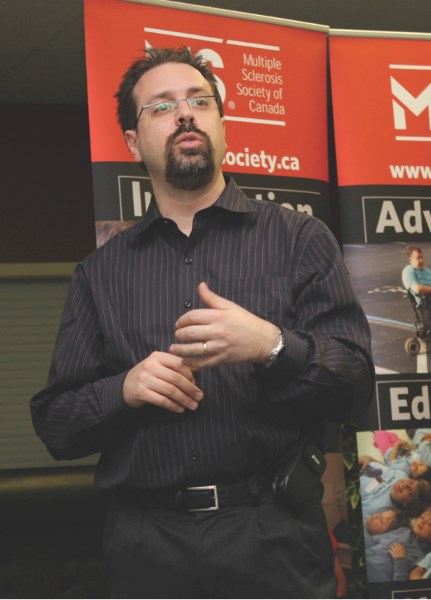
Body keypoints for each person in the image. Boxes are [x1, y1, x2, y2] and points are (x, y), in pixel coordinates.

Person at [30, 46, 374, 599]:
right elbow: (56, 426)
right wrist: (123, 389)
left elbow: (356, 387)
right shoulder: (99, 273)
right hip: (147, 547)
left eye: (199, 101)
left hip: (274, 537)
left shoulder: (299, 240)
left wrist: (272, 345)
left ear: (222, 125)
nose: (185, 113)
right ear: (132, 143)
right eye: (161, 106)